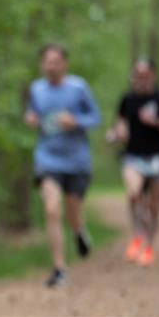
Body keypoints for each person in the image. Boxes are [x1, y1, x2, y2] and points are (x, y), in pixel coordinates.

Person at [25, 43, 101, 288]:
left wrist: (76, 120)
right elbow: (32, 114)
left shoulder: (78, 88)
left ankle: (79, 231)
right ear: (42, 64)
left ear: (64, 64)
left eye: (56, 62)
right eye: (47, 62)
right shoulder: (36, 89)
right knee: (51, 210)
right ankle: (59, 268)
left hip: (77, 161)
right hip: (48, 159)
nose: (51, 66)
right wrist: (31, 119)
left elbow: (96, 118)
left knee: (72, 213)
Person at [106, 59, 159, 267]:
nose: (141, 79)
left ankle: (148, 247)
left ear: (153, 75)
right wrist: (117, 133)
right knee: (134, 193)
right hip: (133, 156)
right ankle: (138, 234)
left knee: (154, 207)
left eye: (145, 75)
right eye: (138, 75)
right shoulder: (127, 99)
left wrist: (157, 123)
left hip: (157, 157)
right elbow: (121, 123)